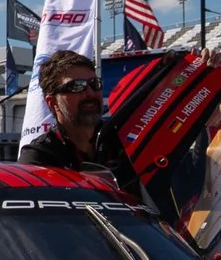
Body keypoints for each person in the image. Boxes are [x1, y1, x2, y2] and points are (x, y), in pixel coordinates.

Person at [19, 52, 142, 197]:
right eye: (76, 86)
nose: (90, 93)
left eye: (94, 84)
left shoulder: (126, 141)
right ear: (53, 103)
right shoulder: (39, 157)